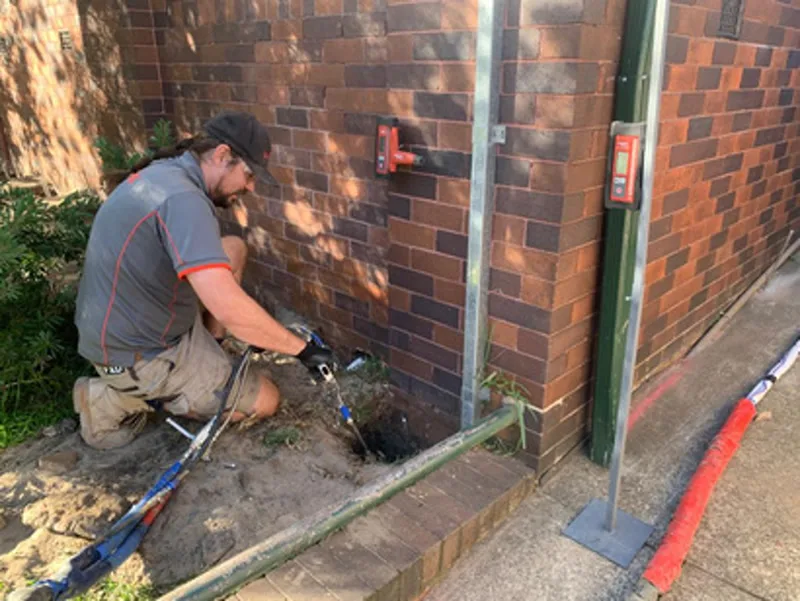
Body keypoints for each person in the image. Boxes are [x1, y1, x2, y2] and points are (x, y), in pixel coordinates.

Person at [72, 111, 333, 450]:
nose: (251, 187)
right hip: (139, 354)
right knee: (266, 400)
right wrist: (305, 350)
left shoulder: (168, 175)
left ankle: (209, 352)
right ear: (223, 155)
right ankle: (107, 400)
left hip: (130, 322)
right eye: (249, 175)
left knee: (233, 248)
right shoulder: (184, 200)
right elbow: (228, 308)